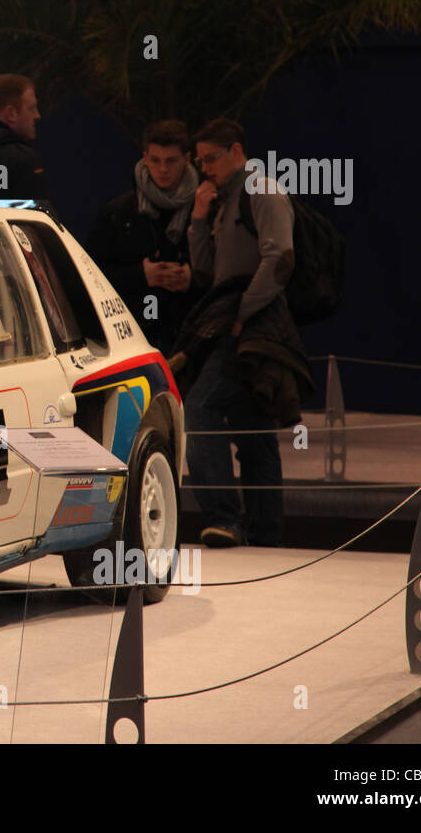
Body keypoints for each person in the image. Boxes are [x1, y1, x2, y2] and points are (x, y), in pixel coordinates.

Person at [176, 118, 312, 548]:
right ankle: (267, 532)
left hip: (257, 322)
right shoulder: (221, 199)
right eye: (200, 162)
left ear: (237, 150)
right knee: (253, 427)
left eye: (211, 158)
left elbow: (281, 260)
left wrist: (243, 314)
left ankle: (225, 518)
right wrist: (198, 220)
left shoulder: (263, 190)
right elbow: (204, 274)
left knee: (199, 411)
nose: (205, 168)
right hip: (228, 316)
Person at [84, 119, 197, 354]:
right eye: (155, 160)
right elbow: (91, 275)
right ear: (144, 158)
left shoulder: (206, 206)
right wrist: (141, 275)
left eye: (171, 161)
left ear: (187, 160)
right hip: (135, 334)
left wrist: (193, 277)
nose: (163, 169)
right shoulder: (118, 212)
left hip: (192, 333)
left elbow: (231, 271)